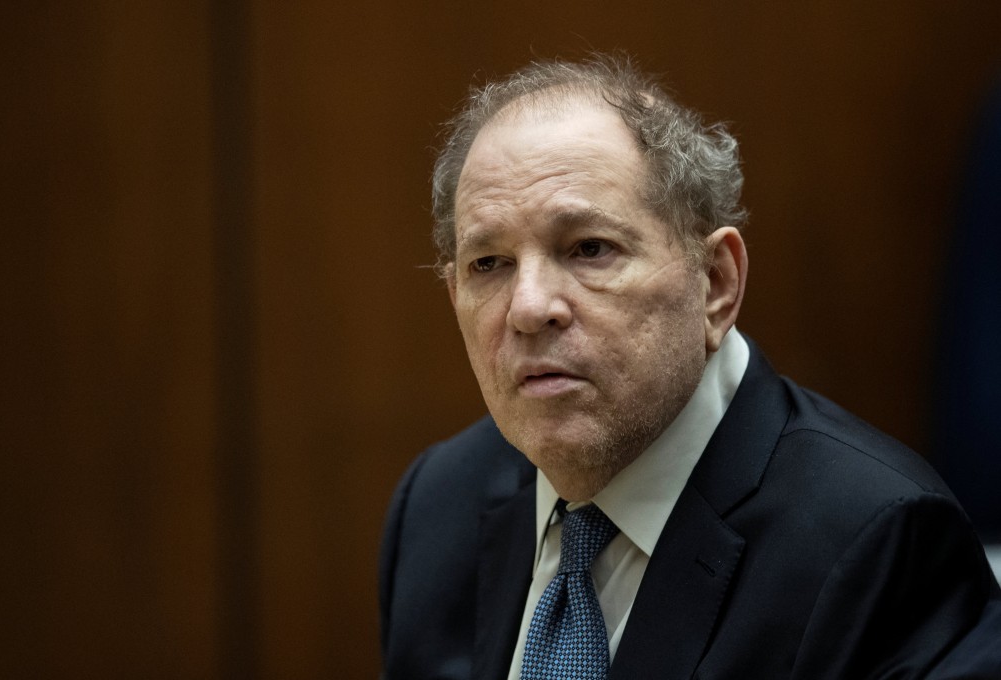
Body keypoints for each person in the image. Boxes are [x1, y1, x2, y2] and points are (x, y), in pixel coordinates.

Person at [378, 54, 1001, 679]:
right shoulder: (439, 503)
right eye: (489, 264)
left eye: (590, 248)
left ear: (716, 284)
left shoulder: (878, 543)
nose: (529, 307)